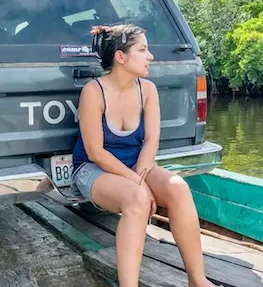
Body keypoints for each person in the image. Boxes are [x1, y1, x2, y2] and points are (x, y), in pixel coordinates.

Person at [71, 24, 213, 287]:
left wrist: (139, 178)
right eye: (143, 49)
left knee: (178, 187)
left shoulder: (147, 90)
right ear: (121, 57)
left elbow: (151, 142)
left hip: (137, 165)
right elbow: (96, 152)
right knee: (137, 199)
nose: (150, 56)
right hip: (94, 169)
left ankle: (197, 279)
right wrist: (138, 184)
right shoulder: (94, 91)